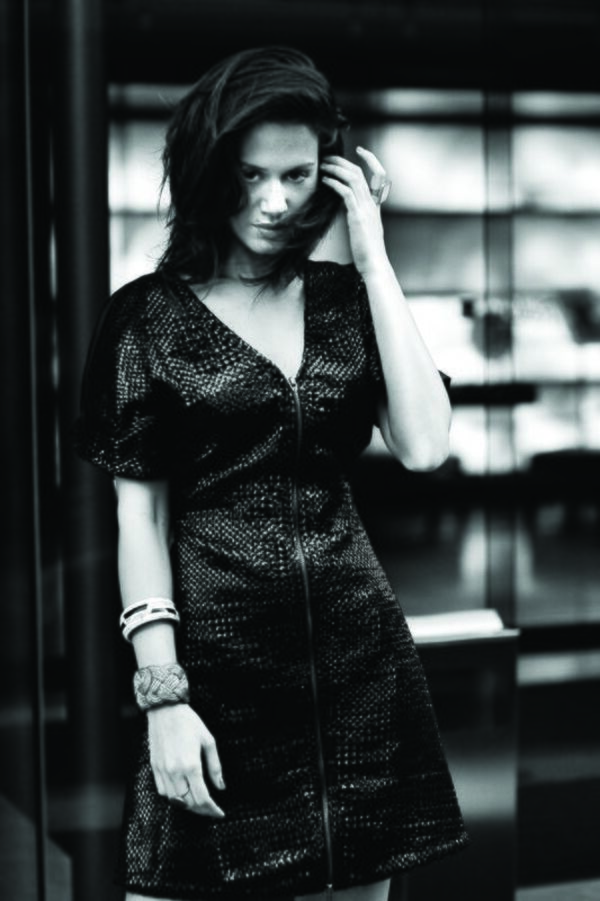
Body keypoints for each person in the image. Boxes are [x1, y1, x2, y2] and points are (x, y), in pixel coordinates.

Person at [75, 45, 468, 901]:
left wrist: (372, 258)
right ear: (208, 170)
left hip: (358, 677)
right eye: (250, 174)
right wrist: (162, 696)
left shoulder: (344, 301)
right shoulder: (147, 318)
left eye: (297, 175)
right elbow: (139, 518)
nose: (275, 200)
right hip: (214, 683)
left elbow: (425, 444)